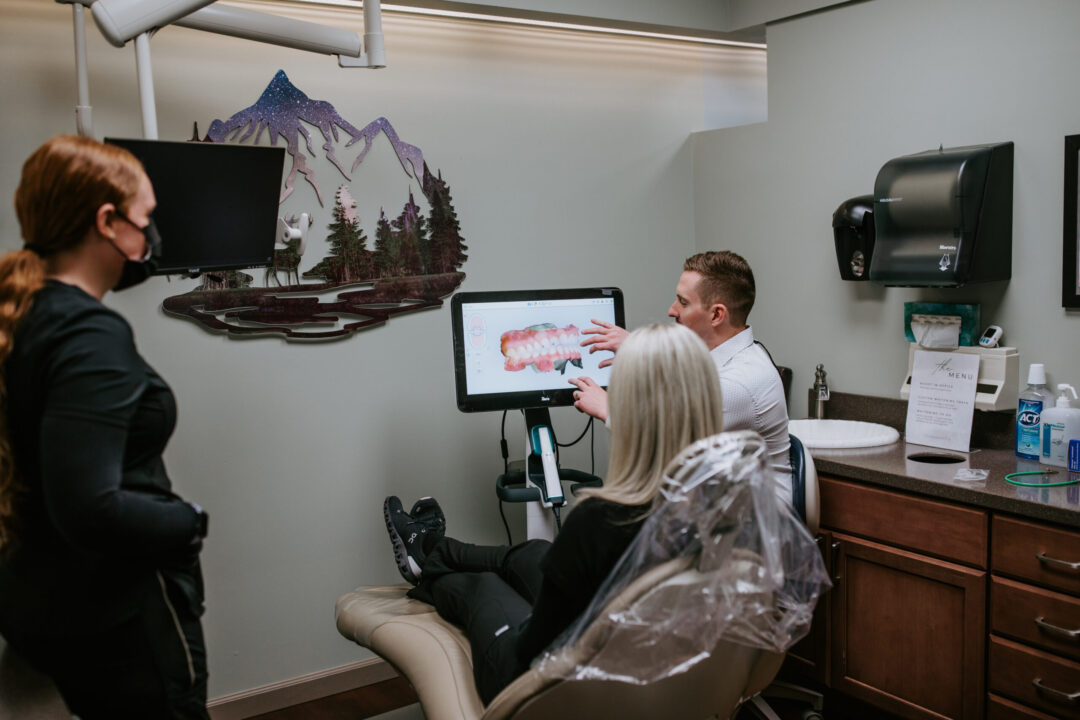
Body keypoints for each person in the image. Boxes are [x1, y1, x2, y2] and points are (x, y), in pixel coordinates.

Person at [383, 323, 723, 705]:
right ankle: (431, 550)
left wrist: (531, 612)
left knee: (484, 587)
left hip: (545, 687)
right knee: (530, 552)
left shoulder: (602, 520)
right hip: (637, 656)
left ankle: (429, 564)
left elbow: (533, 647)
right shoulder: (724, 501)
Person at [0, 135, 210, 719]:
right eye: (146, 219)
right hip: (116, 615)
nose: (152, 237)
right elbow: (88, 506)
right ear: (107, 221)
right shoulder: (89, 336)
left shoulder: (25, 312)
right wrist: (187, 522)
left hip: (40, 594)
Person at [569, 250, 792, 504]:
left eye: (683, 302)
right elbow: (681, 379)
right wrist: (638, 349)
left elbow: (661, 445)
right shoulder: (722, 360)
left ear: (717, 315)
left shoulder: (738, 384)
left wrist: (608, 408)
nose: (671, 310)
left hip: (753, 530)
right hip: (718, 506)